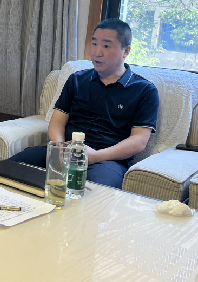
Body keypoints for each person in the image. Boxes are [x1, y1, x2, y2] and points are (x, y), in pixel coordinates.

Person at [10, 18, 159, 189]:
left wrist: (95, 156)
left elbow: (139, 141)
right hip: (66, 150)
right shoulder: (76, 80)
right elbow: (57, 121)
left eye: (106, 46)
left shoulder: (145, 90)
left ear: (126, 51)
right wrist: (59, 148)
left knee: (91, 192)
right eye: (94, 44)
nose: (97, 52)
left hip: (107, 160)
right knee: (8, 170)